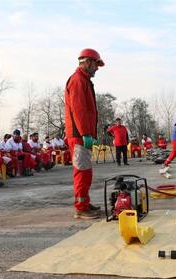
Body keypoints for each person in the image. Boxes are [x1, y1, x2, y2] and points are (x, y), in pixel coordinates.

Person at [64, 48, 104, 220]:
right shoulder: (78, 80)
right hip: (79, 135)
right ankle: (80, 208)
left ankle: (84, 203)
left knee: (85, 170)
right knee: (82, 171)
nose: (97, 68)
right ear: (87, 62)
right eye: (96, 64)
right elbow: (79, 110)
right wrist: (86, 133)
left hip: (82, 134)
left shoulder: (83, 80)